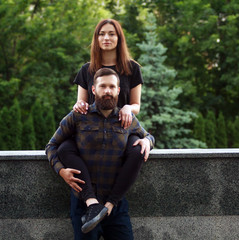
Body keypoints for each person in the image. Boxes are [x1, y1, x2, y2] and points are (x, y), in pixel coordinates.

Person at [57, 19, 146, 239]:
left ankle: (110, 203)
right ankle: (90, 202)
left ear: (119, 38)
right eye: (101, 34)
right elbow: (81, 104)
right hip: (92, 128)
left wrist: (128, 109)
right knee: (66, 147)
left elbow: (136, 105)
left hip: (123, 126)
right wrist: (79, 105)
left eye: (111, 34)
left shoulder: (131, 68)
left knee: (138, 150)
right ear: (96, 39)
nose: (106, 38)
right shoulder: (87, 70)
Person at [46, 68, 154, 239]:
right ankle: (93, 205)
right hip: (83, 204)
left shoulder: (126, 119)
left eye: (112, 87)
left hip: (115, 205)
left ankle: (107, 206)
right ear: (93, 89)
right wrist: (61, 171)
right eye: (103, 86)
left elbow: (148, 136)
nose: (107, 91)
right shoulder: (78, 116)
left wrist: (148, 141)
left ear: (118, 91)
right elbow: (52, 146)